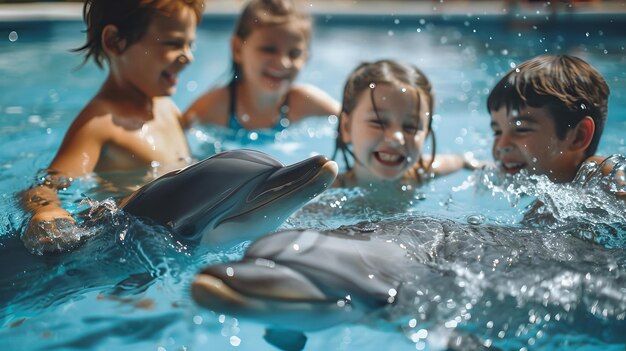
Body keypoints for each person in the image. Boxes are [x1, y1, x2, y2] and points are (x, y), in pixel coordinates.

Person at [20, 0, 204, 253]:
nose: (188, 57)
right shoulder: (100, 124)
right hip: (127, 245)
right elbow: (44, 186)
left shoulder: (168, 109)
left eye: (190, 44)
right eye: (173, 43)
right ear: (116, 41)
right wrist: (48, 210)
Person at [183, 0, 339, 133]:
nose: (283, 62)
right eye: (269, 49)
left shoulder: (305, 103)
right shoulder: (215, 107)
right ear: (238, 49)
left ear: (306, 57)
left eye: (294, 53)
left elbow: (350, 121)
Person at [487, 54, 624, 192]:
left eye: (521, 129)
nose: (502, 145)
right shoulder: (546, 193)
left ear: (578, 136)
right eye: (497, 131)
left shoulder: (606, 179)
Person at [332, 59, 478, 188]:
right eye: (378, 122)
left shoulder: (422, 174)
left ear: (425, 135)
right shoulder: (332, 189)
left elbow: (461, 160)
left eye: (411, 127)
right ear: (346, 127)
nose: (396, 138)